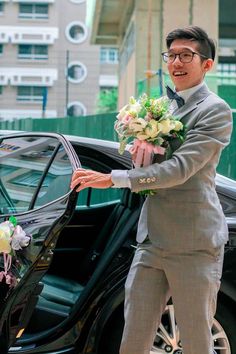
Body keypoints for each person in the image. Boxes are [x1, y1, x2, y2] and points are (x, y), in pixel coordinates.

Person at [70, 26, 232, 354]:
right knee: (133, 337)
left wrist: (111, 178)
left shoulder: (215, 110)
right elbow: (149, 166)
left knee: (197, 340)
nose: (176, 62)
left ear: (207, 65)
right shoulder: (160, 108)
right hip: (151, 241)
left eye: (186, 55)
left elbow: (178, 170)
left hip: (194, 244)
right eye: (171, 55)